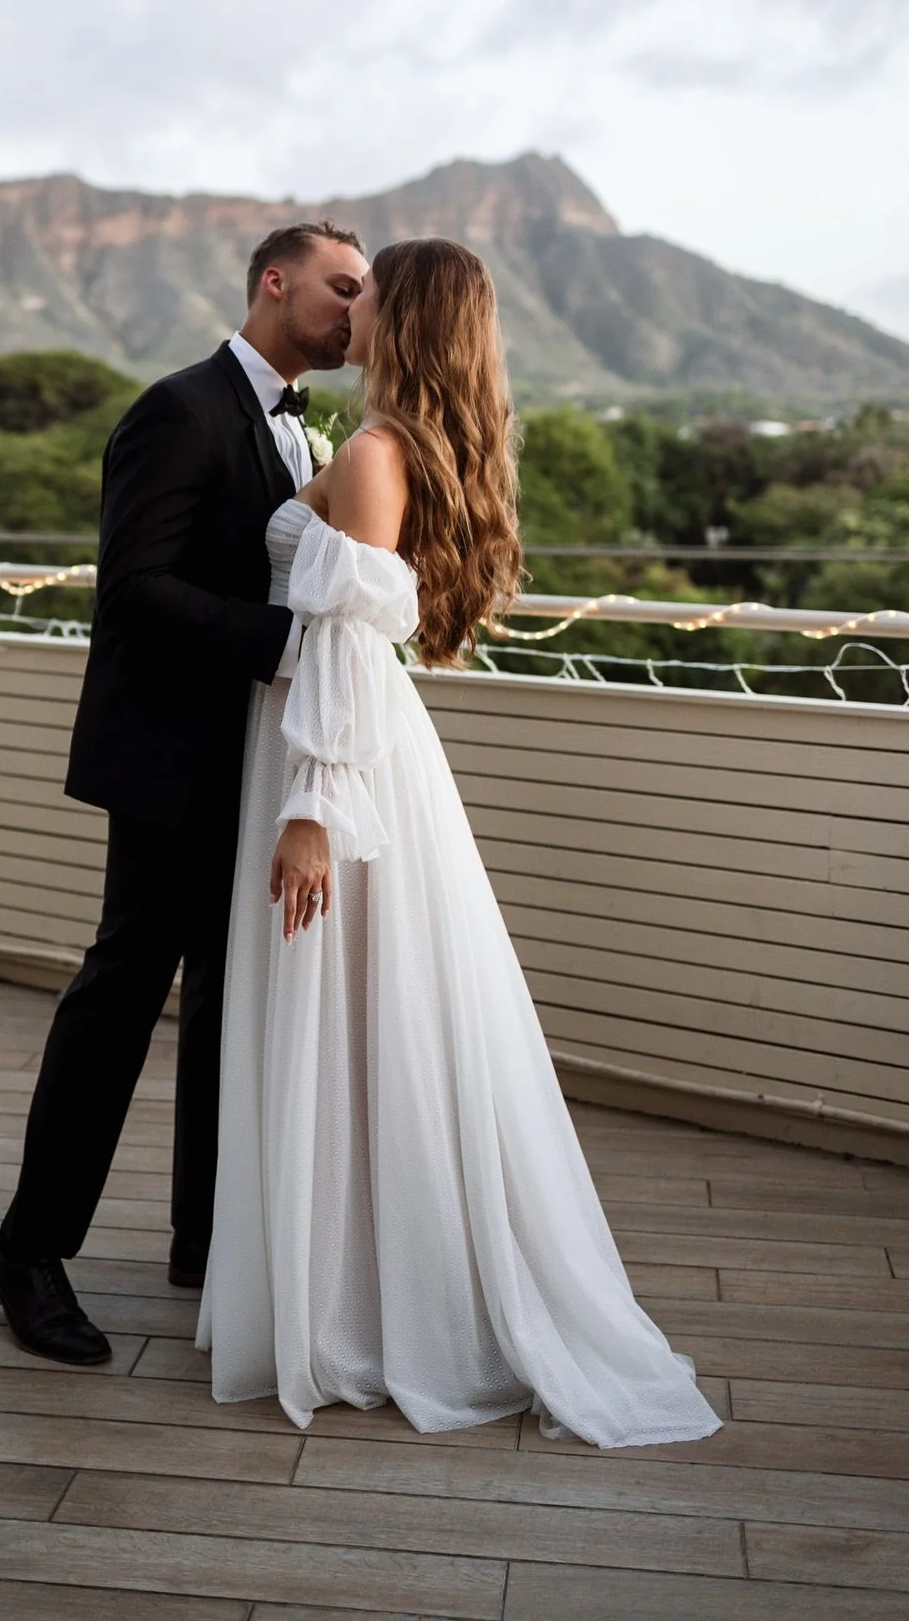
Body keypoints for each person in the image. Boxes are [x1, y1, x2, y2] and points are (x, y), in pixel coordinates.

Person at [196, 238, 722, 1445]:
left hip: (340, 757)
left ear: (408, 313)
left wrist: (313, 814)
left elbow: (338, 638)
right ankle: (348, 1283)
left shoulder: (378, 455)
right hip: (346, 742)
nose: (352, 302)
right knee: (367, 1023)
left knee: (352, 1019)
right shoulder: (394, 444)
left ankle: (359, 1311)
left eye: (368, 290)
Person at [0, 221, 369, 1362]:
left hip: (251, 765)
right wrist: (291, 649)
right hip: (168, 763)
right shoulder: (179, 408)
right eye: (342, 287)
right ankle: (28, 1256)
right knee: (118, 1001)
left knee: (225, 1003)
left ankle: (202, 1239)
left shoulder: (306, 431)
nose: (359, 310)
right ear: (275, 281)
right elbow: (136, 591)